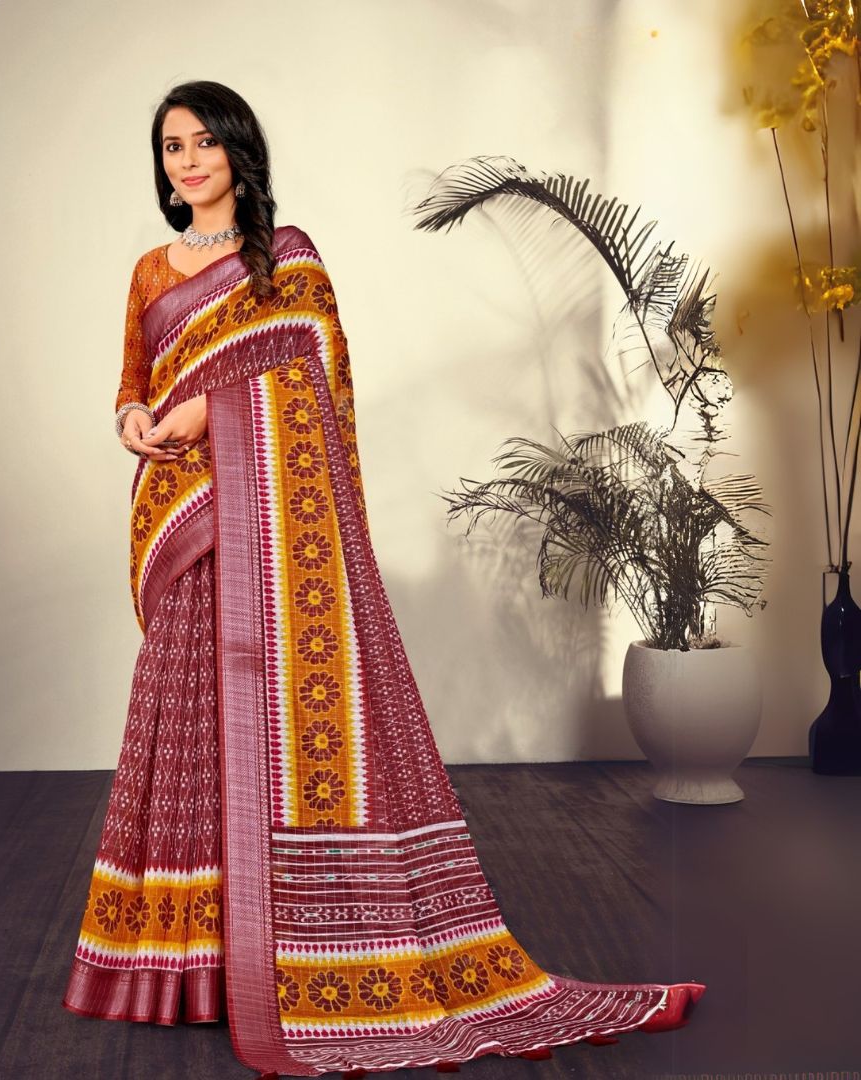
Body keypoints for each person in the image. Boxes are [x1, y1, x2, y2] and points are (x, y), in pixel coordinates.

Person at [61, 79, 705, 1078]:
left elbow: (316, 377)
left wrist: (209, 412)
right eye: (171, 147)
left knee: (267, 724)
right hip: (182, 515)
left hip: (265, 518)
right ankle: (183, 966)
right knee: (185, 717)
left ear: (237, 151)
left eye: (203, 143)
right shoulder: (151, 269)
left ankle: (283, 955)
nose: (186, 162)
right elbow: (131, 382)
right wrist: (137, 420)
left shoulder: (288, 258)